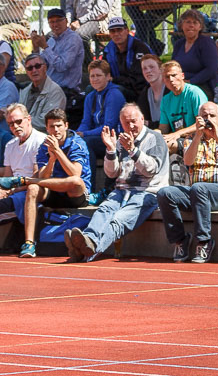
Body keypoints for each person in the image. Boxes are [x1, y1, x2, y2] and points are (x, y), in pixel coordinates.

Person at [64, 104, 169, 263]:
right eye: (126, 123)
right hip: (121, 190)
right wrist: (111, 150)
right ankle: (88, 239)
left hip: (148, 192)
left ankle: (88, 249)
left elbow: (151, 169)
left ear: (143, 119)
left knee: (119, 219)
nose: (131, 126)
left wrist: (133, 150)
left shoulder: (155, 138)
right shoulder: (121, 140)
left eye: (134, 121)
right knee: (104, 210)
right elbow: (111, 173)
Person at [157, 101, 218, 264]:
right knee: (164, 193)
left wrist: (217, 137)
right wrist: (197, 135)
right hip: (196, 193)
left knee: (198, 188)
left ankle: (204, 241)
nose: (208, 119)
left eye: (212, 116)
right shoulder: (191, 138)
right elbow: (188, 161)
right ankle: (180, 240)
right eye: (204, 116)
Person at [4, 109, 92, 257]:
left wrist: (58, 152)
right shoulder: (44, 145)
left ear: (66, 125)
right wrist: (51, 159)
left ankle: (25, 180)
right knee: (33, 188)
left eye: (58, 125)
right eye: (51, 127)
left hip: (75, 194)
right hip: (53, 191)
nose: (55, 130)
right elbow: (44, 177)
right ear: (47, 128)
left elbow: (75, 173)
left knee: (75, 181)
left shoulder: (77, 143)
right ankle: (29, 243)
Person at [0, 104, 46, 257]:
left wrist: (11, 190)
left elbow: (36, 177)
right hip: (14, 193)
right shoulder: (10, 145)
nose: (15, 126)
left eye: (19, 121)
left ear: (28, 119)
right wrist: (3, 190)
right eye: (11, 124)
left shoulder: (40, 141)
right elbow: (7, 177)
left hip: (29, 192)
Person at [76, 59, 125, 159]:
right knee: (74, 142)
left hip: (114, 138)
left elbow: (109, 126)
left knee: (86, 142)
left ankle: (89, 175)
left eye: (98, 75)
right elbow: (86, 122)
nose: (95, 79)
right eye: (92, 76)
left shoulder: (114, 94)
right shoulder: (90, 96)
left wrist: (84, 134)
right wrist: (77, 135)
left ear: (108, 77)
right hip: (97, 136)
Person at [158, 60, 208, 153]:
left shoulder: (194, 93)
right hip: (178, 139)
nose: (171, 80)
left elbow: (203, 123)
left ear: (182, 76)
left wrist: (178, 133)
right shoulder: (166, 100)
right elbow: (163, 129)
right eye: (167, 77)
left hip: (198, 139)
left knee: (165, 145)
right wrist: (155, 133)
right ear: (163, 80)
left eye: (174, 75)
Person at [29, 8, 83, 93]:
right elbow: (41, 65)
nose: (55, 24)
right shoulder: (52, 40)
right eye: (52, 22)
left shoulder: (73, 39)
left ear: (66, 21)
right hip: (49, 88)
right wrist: (35, 48)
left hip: (66, 90)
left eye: (58, 21)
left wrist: (45, 47)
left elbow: (62, 66)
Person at [171, 9, 218, 99]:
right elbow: (173, 67)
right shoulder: (179, 44)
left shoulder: (207, 43)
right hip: (181, 84)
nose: (191, 25)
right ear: (181, 25)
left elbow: (211, 70)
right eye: (188, 22)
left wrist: (190, 81)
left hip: (203, 85)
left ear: (200, 27)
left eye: (195, 22)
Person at [102, 17, 151, 100]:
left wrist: (113, 80)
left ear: (127, 31)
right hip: (116, 86)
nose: (116, 34)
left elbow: (138, 80)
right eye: (112, 31)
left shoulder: (140, 48)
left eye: (119, 30)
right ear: (109, 34)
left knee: (115, 92)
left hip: (140, 91)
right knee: (91, 89)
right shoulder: (108, 50)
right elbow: (104, 71)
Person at [19, 54, 66, 132]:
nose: (34, 70)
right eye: (30, 68)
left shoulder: (55, 91)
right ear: (27, 72)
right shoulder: (24, 92)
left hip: (46, 137)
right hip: (24, 134)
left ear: (45, 68)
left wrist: (20, 122)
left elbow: (46, 121)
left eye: (37, 66)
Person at [136, 54, 167, 129]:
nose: (148, 71)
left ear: (160, 69)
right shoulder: (145, 93)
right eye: (144, 68)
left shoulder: (169, 89)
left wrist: (149, 124)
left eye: (151, 67)